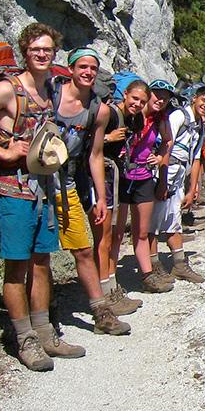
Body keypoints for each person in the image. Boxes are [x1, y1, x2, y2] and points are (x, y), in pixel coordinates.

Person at [0, 23, 79, 371]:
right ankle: (24, 339)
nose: (42, 54)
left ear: (55, 53)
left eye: (48, 49)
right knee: (17, 266)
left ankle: (45, 333)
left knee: (42, 263)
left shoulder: (50, 88)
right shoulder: (8, 90)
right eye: (36, 49)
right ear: (25, 51)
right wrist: (3, 152)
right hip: (13, 188)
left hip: (44, 188)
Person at [52, 49, 130, 336]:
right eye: (82, 66)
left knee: (83, 248)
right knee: (39, 254)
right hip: (36, 180)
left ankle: (100, 311)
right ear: (71, 68)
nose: (87, 72)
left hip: (69, 181)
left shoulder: (99, 110)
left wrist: (100, 198)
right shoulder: (52, 96)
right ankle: (44, 315)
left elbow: (95, 155)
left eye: (93, 68)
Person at [88, 78, 149, 315]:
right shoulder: (111, 115)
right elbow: (89, 145)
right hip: (101, 174)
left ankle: (110, 288)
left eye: (142, 101)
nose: (137, 104)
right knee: (104, 235)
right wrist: (107, 139)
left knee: (113, 233)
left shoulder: (133, 118)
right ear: (125, 95)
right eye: (134, 99)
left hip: (113, 174)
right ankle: (104, 294)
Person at [149, 85, 205, 283]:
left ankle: (179, 264)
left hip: (178, 175)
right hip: (164, 171)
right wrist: (161, 182)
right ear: (194, 99)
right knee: (152, 224)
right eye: (204, 101)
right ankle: (153, 268)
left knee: (174, 221)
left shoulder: (199, 126)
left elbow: (196, 159)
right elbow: (165, 146)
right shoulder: (179, 116)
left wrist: (193, 188)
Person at [120, 79, 175, 293]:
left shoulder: (159, 119)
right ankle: (108, 283)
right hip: (122, 176)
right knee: (116, 234)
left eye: (165, 97)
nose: (160, 100)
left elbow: (168, 140)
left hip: (142, 175)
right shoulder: (130, 116)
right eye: (157, 95)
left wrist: (160, 155)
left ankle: (147, 275)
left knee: (142, 232)